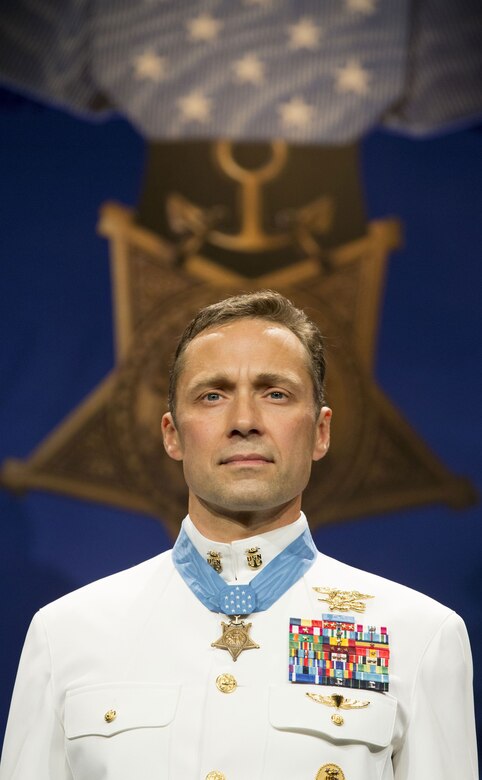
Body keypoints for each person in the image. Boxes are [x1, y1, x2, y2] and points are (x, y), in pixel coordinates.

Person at [0, 290, 477, 780]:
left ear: (320, 432)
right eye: (213, 395)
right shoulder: (64, 635)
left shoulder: (417, 637)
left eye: (276, 393)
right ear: (172, 434)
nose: (244, 422)